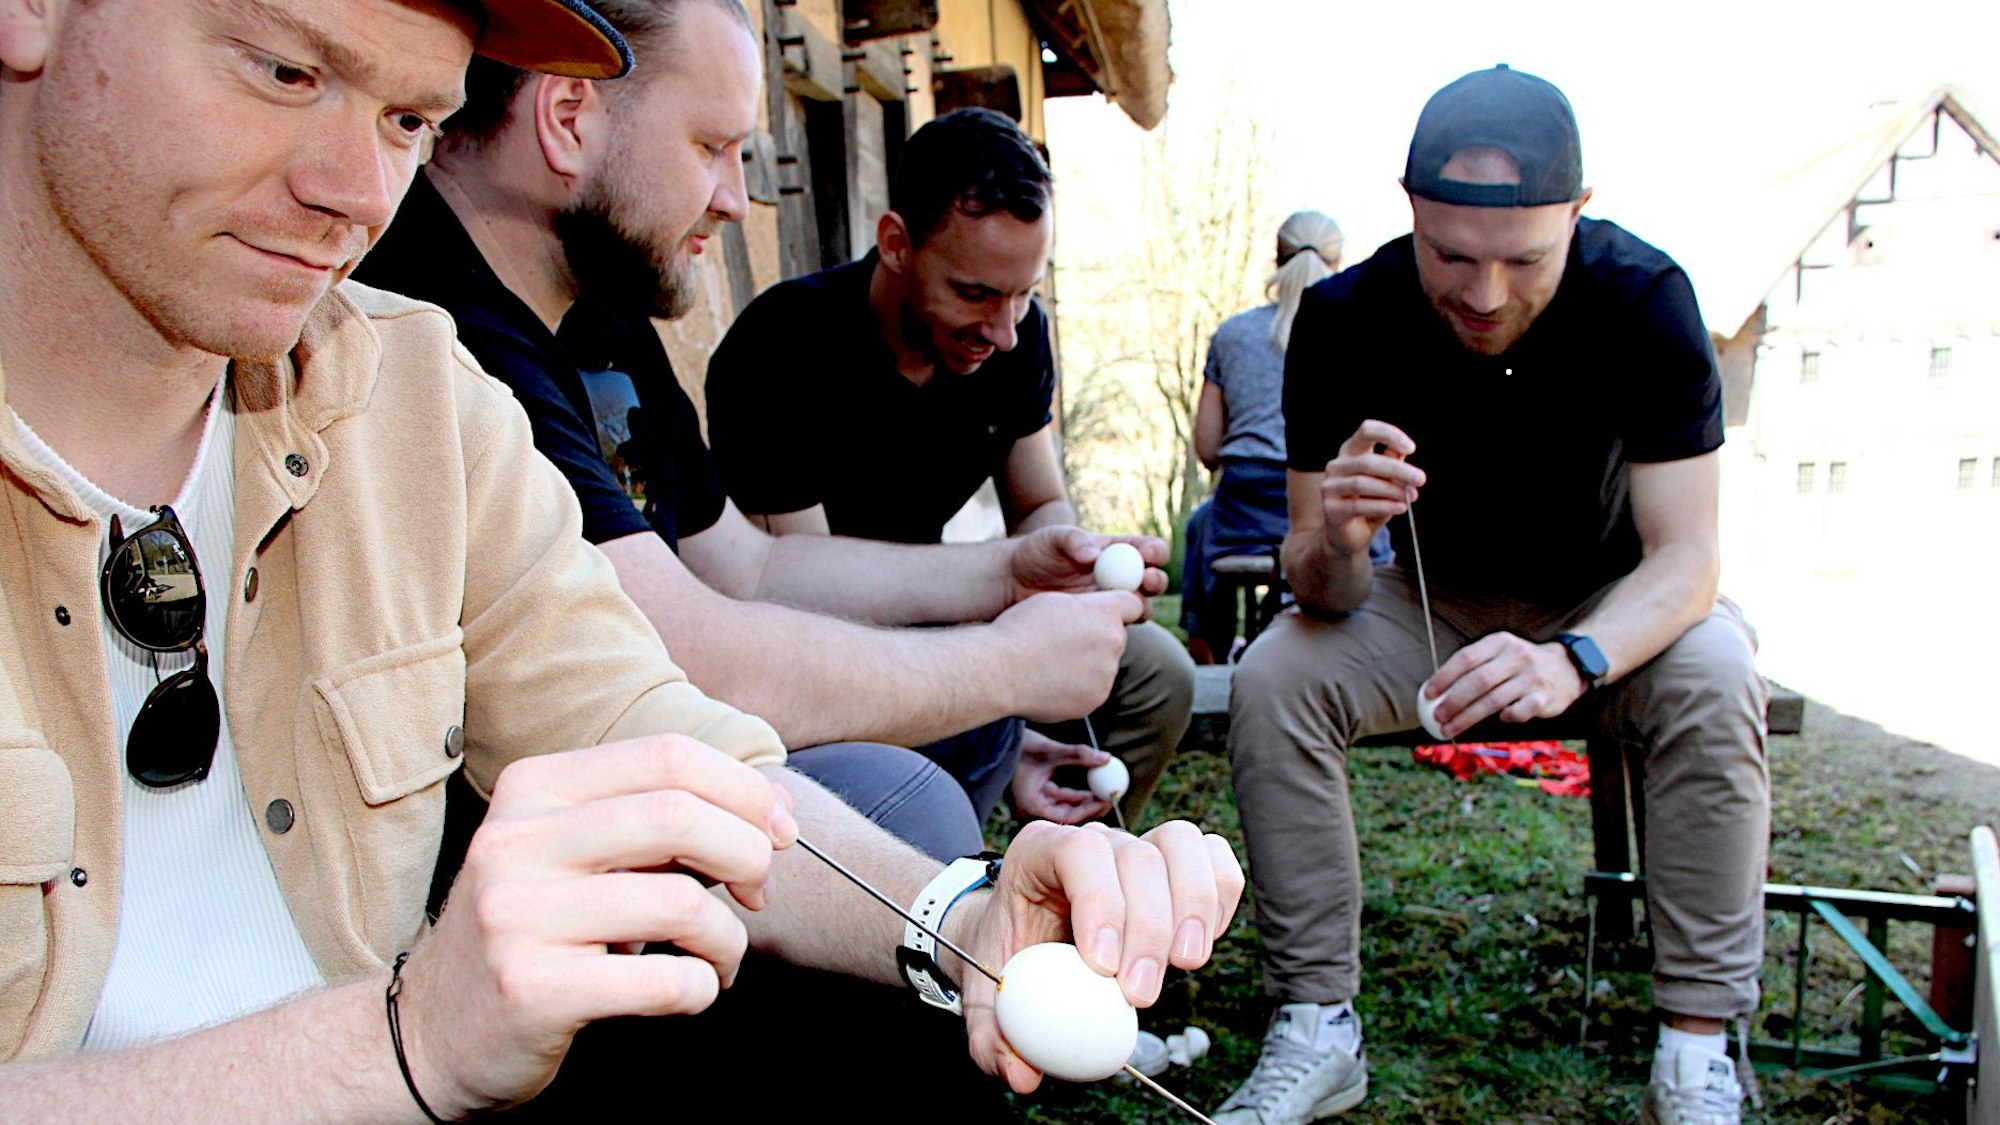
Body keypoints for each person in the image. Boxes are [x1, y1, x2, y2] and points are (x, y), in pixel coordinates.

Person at [0, 1, 1244, 1118]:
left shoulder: (413, 395)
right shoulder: (669, 342)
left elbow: (643, 715)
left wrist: (955, 921)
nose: (356, 191)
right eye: (283, 71)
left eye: (409, 118)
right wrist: (402, 1043)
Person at [353, 1, 1154, 834]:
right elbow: (690, 654)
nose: (736, 198)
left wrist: (1007, 573)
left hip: (662, 741)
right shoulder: (445, 326)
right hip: (545, 812)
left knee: (967, 743)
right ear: (566, 118)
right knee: (918, 806)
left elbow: (751, 567)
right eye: (711, 147)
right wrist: (1008, 664)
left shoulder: (600, 316)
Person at [1214, 67, 1768, 1125]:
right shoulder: (1339, 316)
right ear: (1409, 208)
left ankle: (1694, 1055)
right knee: (1276, 672)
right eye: (1450, 257)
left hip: (1609, 610)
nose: (1482, 295)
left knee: (1715, 669)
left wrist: (1572, 659)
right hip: (1429, 605)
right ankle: (1316, 1025)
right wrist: (1336, 531)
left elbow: (1687, 561)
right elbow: (1315, 585)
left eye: (1524, 261)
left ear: (1578, 214)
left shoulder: (1644, 299)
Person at [704, 107, 1197, 825]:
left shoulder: (1015, 337)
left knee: (1159, 675)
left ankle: (1063, 852)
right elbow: (799, 587)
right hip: (821, 642)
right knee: (973, 728)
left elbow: (1039, 501)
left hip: (959, 607)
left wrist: (1069, 569)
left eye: (1025, 293)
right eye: (976, 294)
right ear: (897, 244)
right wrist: (995, 657)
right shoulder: (782, 347)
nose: (1004, 330)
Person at [1180, 210, 1390, 664]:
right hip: (1333, 502)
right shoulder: (1368, 333)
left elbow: (1208, 447)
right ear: (1338, 263)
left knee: (1200, 525)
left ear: (1276, 259)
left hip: (1246, 508)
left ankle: (1207, 651)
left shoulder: (1233, 335)